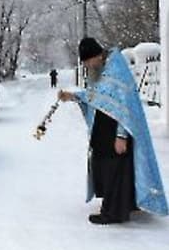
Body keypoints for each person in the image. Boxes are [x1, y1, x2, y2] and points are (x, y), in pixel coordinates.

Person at [58, 37, 168, 224]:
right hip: (103, 130)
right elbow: (97, 97)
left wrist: (121, 136)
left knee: (114, 170)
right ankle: (124, 203)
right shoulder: (101, 70)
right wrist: (74, 96)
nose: (87, 66)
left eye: (87, 61)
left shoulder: (116, 71)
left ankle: (113, 212)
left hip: (115, 132)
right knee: (106, 168)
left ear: (98, 55)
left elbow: (125, 108)